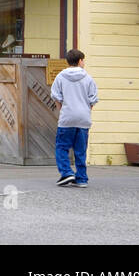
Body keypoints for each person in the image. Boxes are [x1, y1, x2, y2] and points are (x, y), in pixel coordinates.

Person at [50, 48, 97, 186]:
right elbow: (93, 99)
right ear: (80, 60)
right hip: (83, 118)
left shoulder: (60, 77)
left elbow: (55, 96)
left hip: (67, 117)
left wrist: (62, 110)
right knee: (80, 150)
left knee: (62, 147)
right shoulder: (88, 78)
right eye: (83, 61)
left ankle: (67, 173)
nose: (84, 63)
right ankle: (82, 179)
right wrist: (86, 110)